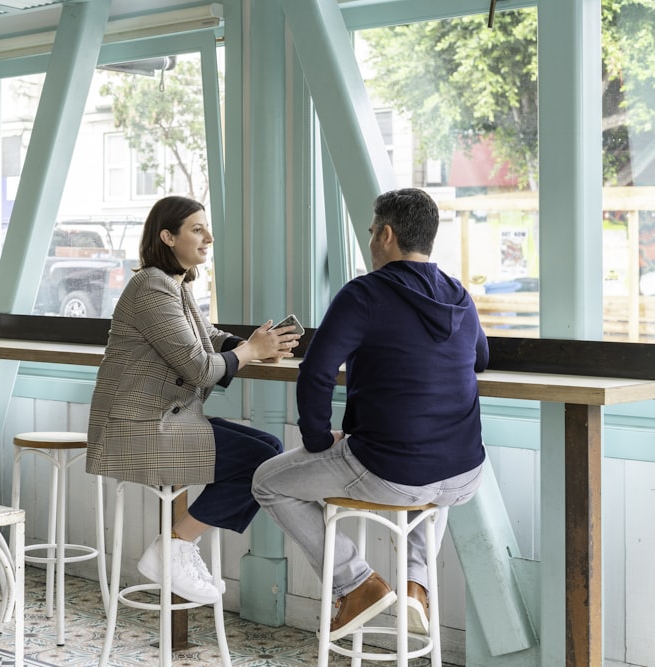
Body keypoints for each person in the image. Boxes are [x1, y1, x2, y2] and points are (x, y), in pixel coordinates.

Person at [252, 188, 487, 639]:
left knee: (267, 481)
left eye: (370, 231)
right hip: (464, 475)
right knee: (431, 482)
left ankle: (355, 583)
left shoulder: (365, 293)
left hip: (391, 471)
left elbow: (316, 372)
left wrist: (319, 440)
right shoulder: (458, 294)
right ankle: (415, 587)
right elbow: (481, 358)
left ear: (386, 234)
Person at [87, 195, 302, 604]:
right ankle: (173, 548)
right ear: (167, 237)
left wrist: (253, 344)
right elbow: (199, 367)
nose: (209, 237)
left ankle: (178, 547)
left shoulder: (175, 285)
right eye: (197, 229)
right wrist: (250, 352)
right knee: (261, 463)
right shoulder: (150, 285)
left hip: (167, 418)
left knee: (270, 450)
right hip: (141, 428)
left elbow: (208, 336)